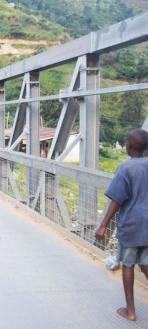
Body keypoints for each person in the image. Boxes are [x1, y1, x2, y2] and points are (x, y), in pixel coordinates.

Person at [95, 129, 148, 322]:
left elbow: (116, 199)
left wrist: (103, 225)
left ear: (129, 146)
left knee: (128, 264)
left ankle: (131, 311)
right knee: (146, 263)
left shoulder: (126, 168)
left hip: (132, 225)